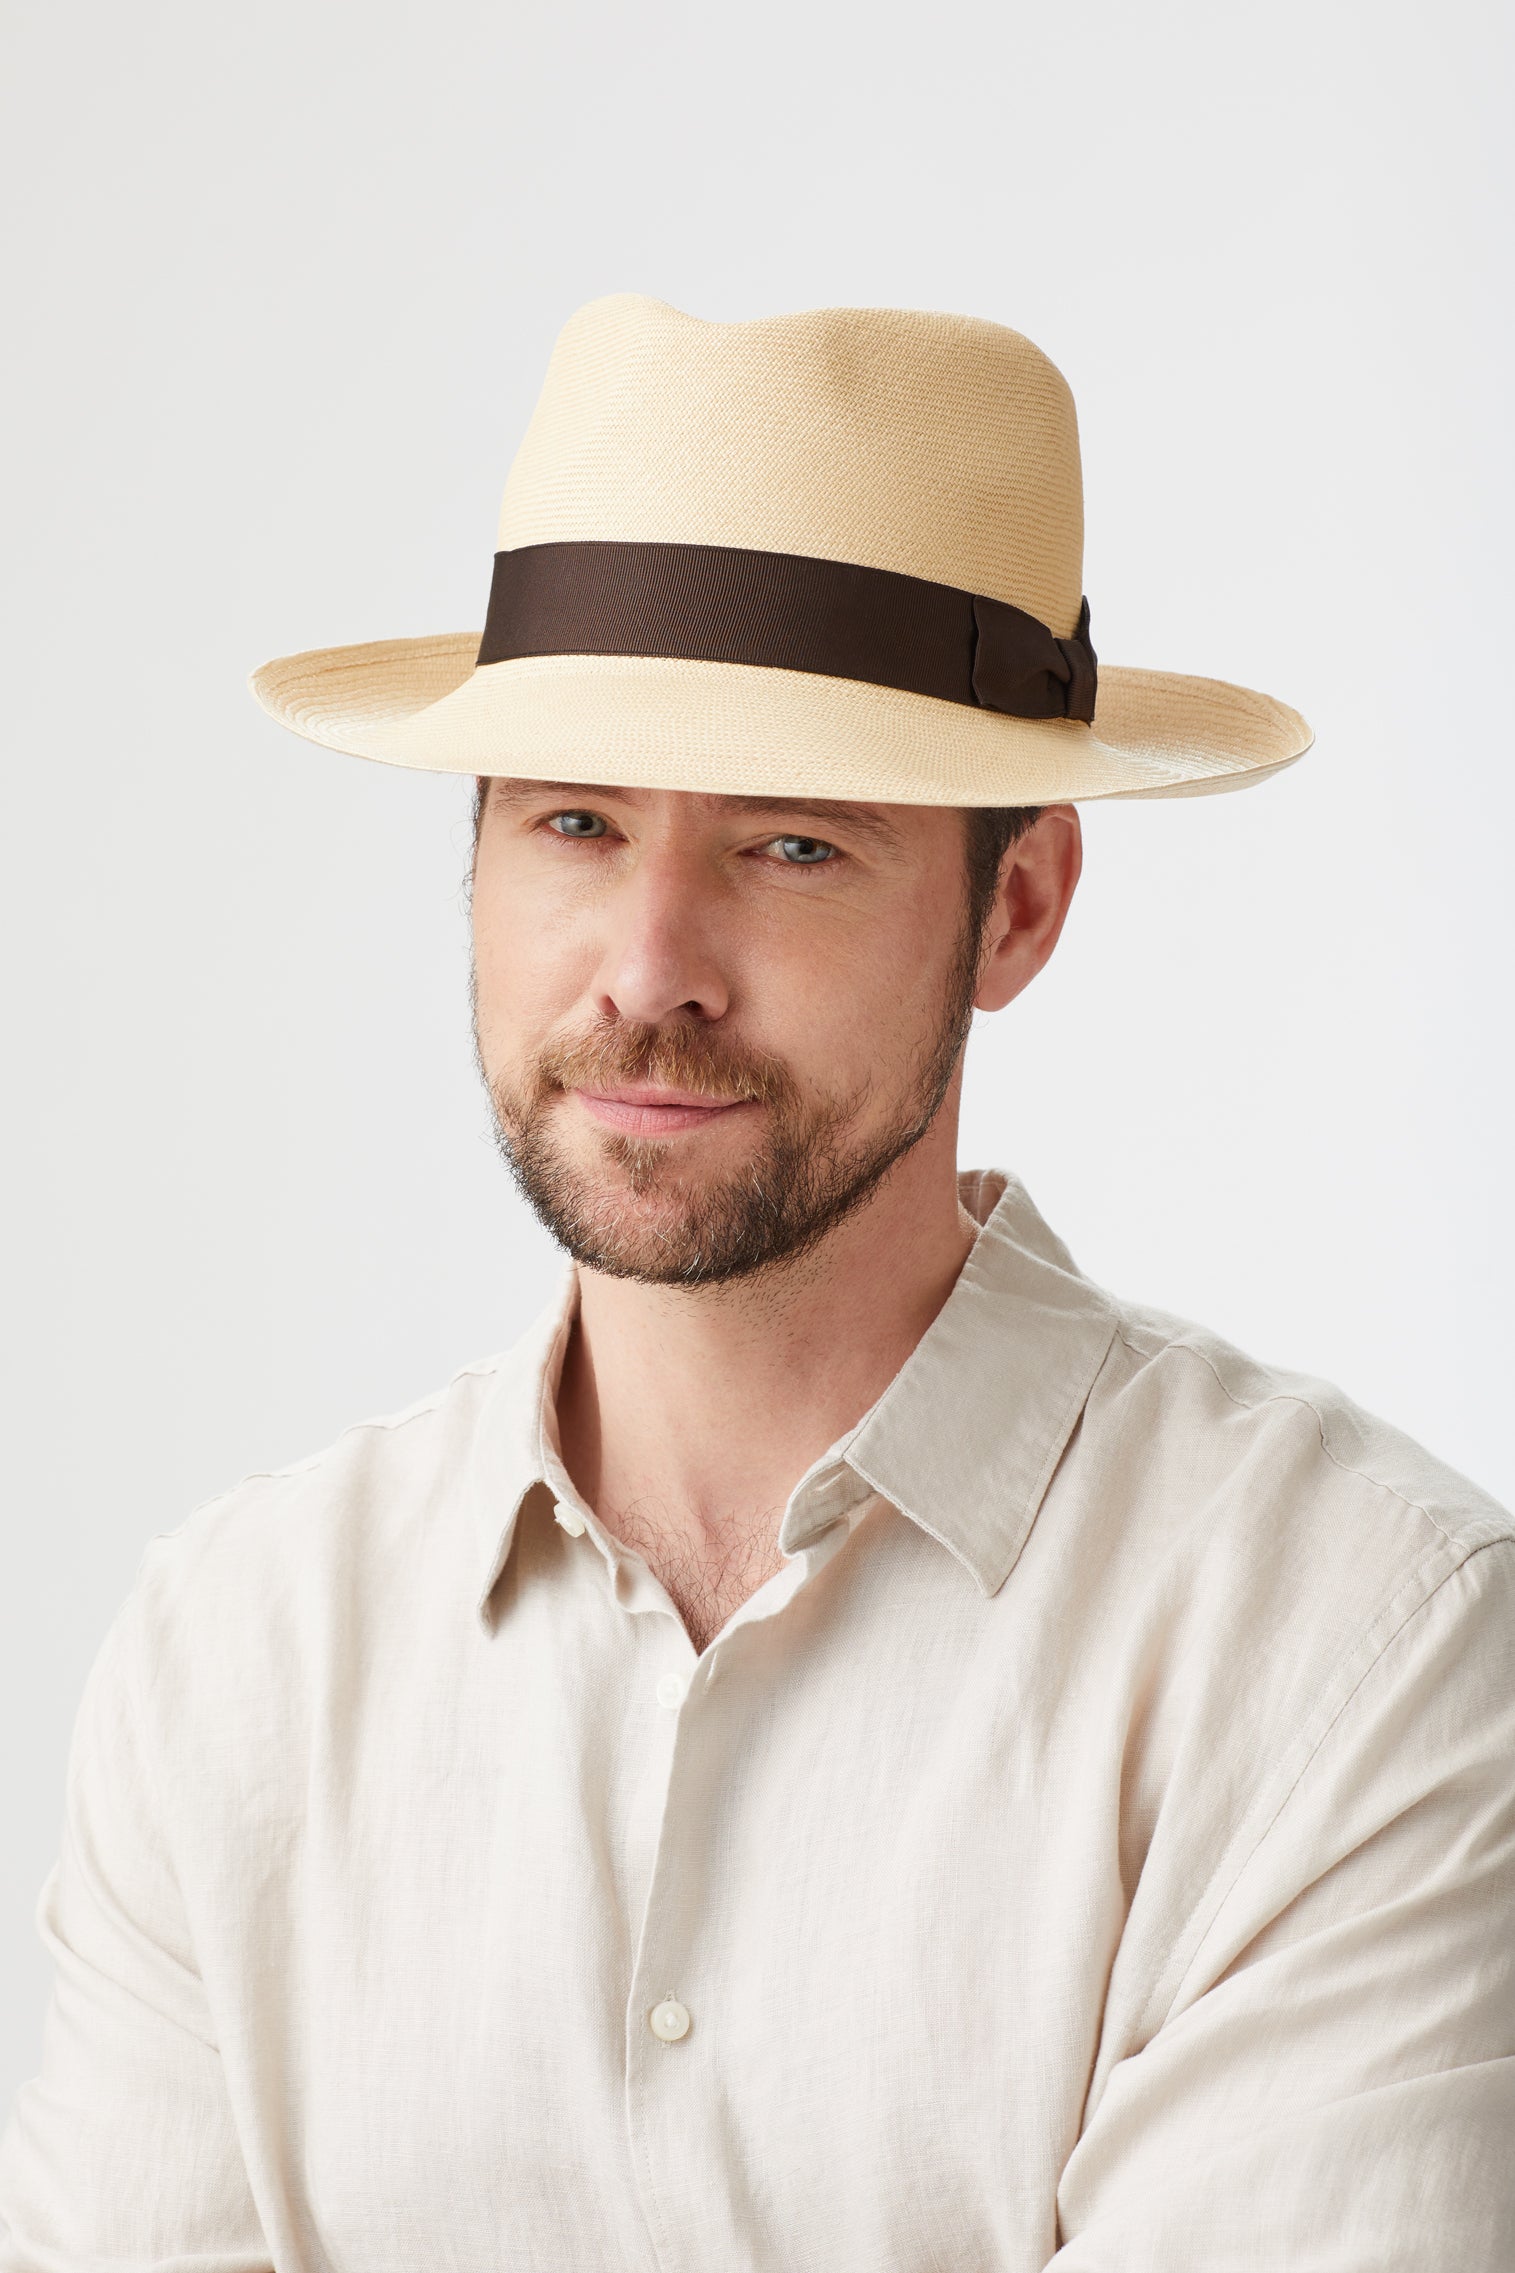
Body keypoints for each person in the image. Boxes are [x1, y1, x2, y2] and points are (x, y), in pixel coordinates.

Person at [2, 294, 1510, 2271]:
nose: (648, 965)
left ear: (1020, 904)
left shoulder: (1350, 1654)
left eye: (791, 843)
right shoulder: (239, 1661)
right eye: (571, 821)